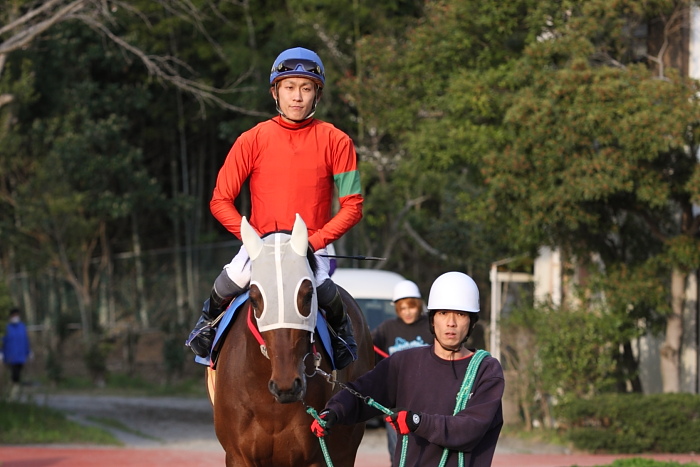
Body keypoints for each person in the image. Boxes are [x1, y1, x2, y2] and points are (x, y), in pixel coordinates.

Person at [186, 47, 363, 370]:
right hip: (262, 244)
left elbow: (353, 206)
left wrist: (313, 243)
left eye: (306, 88)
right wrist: (252, 239)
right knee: (234, 276)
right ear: (275, 92)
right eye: (289, 87)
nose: (297, 97)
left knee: (322, 286)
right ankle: (205, 324)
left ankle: (343, 336)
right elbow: (220, 200)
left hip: (311, 245)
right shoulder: (251, 140)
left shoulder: (337, 141)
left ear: (317, 95)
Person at [310, 272, 505, 467]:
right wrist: (334, 411)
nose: (451, 323)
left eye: (461, 314)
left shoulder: (486, 370)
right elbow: (362, 391)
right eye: (443, 313)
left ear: (471, 321)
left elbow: (470, 429)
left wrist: (418, 421)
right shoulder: (404, 363)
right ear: (432, 319)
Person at [372, 279, 434, 462]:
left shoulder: (430, 326)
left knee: (427, 451)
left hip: (427, 400)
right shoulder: (387, 328)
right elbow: (368, 350)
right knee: (398, 452)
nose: (407, 312)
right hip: (395, 401)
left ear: (419, 306)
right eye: (402, 308)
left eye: (411, 307)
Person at [1, 307, 32, 401]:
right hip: (9, 356)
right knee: (13, 375)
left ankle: (12, 395)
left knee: (17, 376)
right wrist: (1, 352)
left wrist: (29, 352)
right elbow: (2, 341)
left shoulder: (22, 326)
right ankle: (10, 395)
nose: (16, 317)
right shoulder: (6, 328)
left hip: (21, 356)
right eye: (14, 315)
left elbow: (25, 340)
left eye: (17, 315)